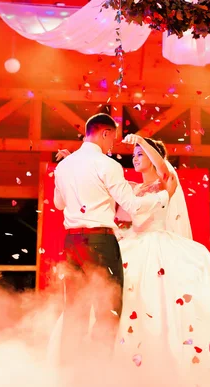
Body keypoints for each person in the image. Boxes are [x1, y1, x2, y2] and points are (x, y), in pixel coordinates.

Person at [111, 135, 210, 387]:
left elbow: (163, 167)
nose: (135, 157)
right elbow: (123, 214)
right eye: (134, 153)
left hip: (159, 245)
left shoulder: (167, 181)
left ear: (153, 157)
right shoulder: (134, 190)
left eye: (140, 153)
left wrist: (142, 140)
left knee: (162, 303)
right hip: (134, 244)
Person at [52, 114, 178, 366]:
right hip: (99, 241)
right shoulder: (107, 165)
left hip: (71, 243)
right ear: (105, 133)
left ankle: (67, 372)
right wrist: (160, 199)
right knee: (107, 309)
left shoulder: (64, 166)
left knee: (75, 309)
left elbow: (58, 203)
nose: (113, 146)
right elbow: (131, 205)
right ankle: (98, 369)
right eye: (113, 139)